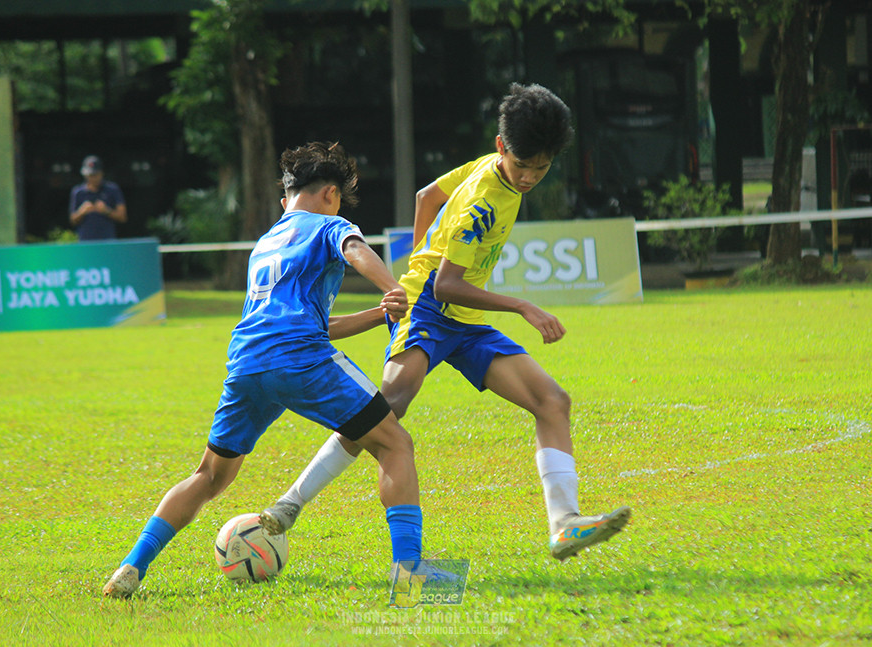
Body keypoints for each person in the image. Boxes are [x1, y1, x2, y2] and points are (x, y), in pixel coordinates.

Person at [260, 83, 630, 562]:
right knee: (388, 407)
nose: (530, 177)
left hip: (464, 318)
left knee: (552, 400)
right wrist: (522, 306)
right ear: (503, 148)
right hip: (430, 308)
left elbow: (426, 196)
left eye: (541, 168)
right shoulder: (483, 201)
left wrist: (418, 255)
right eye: (522, 166)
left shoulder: (489, 164)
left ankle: (563, 524)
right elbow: (445, 287)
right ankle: (290, 505)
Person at [103, 142, 426, 598]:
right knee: (395, 444)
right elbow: (354, 248)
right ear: (330, 194)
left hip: (247, 363)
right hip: (300, 358)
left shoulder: (266, 242)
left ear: (285, 200)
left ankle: (130, 567)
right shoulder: (332, 226)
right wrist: (393, 288)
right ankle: (410, 574)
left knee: (210, 476)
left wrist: (378, 313)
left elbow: (305, 321)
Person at [69, 155, 127, 240]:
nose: (93, 178)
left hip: (107, 242)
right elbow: (72, 220)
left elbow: (123, 217)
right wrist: (82, 211)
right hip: (85, 243)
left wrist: (106, 210)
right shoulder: (78, 192)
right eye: (90, 175)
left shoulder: (112, 189)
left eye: (95, 175)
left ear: (101, 173)